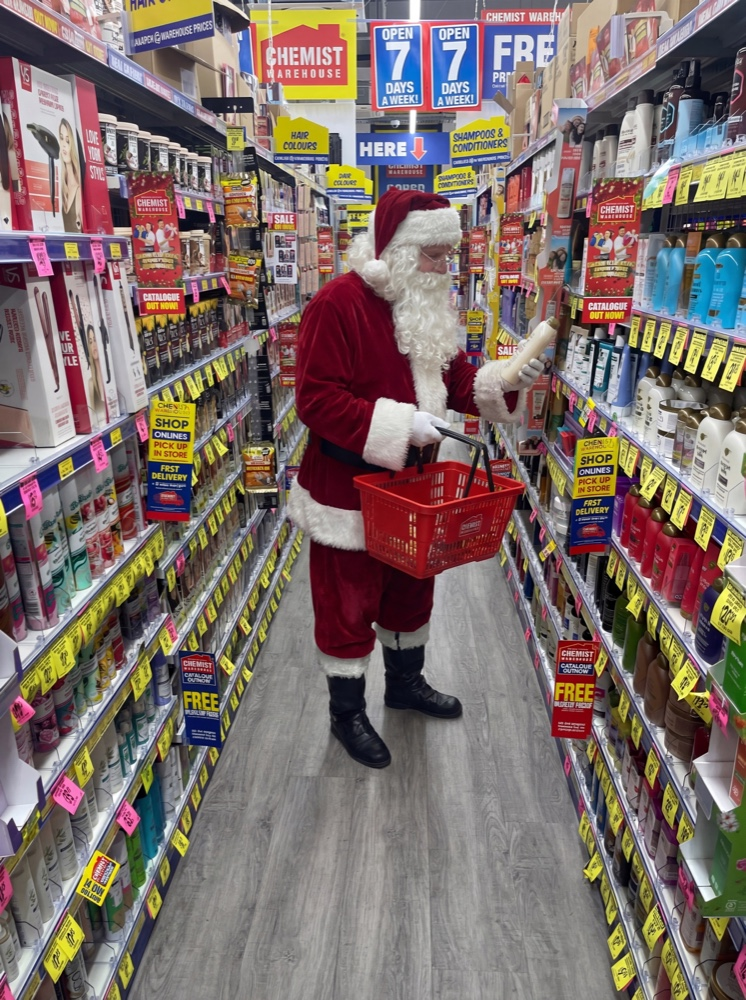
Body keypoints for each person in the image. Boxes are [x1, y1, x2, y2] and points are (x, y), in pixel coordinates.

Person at [289, 189, 546, 769]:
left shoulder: (425, 306)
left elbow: (457, 380)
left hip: (411, 493)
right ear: (401, 251)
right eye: (435, 255)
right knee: (347, 602)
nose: (445, 269)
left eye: (448, 256)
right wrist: (402, 424)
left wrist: (507, 378)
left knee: (410, 588)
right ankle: (346, 714)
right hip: (347, 493)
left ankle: (405, 684)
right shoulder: (338, 304)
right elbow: (316, 400)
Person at [59, 118, 82, 233]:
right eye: (61, 138)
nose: (63, 145)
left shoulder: (79, 188)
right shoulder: (62, 188)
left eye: (67, 141)